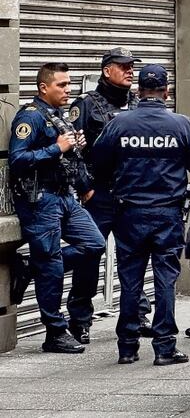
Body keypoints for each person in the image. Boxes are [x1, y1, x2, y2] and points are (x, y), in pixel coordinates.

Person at [91, 65, 190, 365]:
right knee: (165, 280)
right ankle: (165, 347)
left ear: (138, 91)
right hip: (167, 214)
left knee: (130, 281)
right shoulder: (181, 124)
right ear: (166, 91)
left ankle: (127, 346)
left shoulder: (119, 123)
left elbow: (99, 161)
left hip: (128, 213)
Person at [9, 63, 106, 353]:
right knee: (50, 265)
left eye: (69, 84)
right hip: (40, 200)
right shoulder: (30, 117)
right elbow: (17, 159)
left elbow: (67, 157)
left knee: (94, 243)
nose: (68, 90)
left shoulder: (57, 117)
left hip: (64, 197)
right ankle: (55, 332)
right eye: (61, 85)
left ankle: (31, 266)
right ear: (44, 87)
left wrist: (78, 147)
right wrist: (57, 148)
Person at [67, 47, 152, 342]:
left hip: (131, 194)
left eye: (132, 66)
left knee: (135, 256)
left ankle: (137, 315)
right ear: (107, 70)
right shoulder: (86, 105)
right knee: (90, 256)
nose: (130, 71)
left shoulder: (138, 103)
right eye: (124, 66)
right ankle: (79, 319)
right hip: (100, 193)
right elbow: (74, 150)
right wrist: (85, 187)